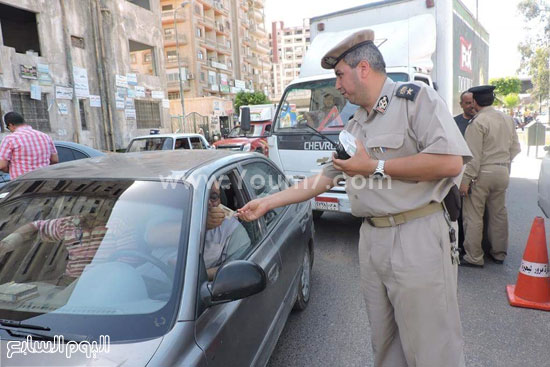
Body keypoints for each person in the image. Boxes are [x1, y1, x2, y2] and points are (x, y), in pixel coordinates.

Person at [238, 29, 471, 367]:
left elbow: (449, 162)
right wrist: (268, 203)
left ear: (363, 68)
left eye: (339, 75)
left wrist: (375, 166)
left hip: (417, 234)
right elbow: (323, 179)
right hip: (373, 239)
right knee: (386, 343)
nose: (337, 85)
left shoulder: (415, 100)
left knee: (432, 347)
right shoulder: (355, 126)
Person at [459, 85, 521, 267]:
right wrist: (502, 163)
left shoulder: (477, 122)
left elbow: (473, 157)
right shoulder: (508, 119)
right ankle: (499, 253)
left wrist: (465, 181)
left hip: (481, 173)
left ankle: (474, 257)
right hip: (503, 171)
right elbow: (516, 148)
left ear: (475, 102)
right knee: (499, 213)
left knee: (473, 215)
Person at [204, 180, 250, 280]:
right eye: (200, 196)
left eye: (213, 197)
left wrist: (198, 275)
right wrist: (202, 225)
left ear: (220, 200)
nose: (207, 202)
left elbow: (235, 269)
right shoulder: (173, 217)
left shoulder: (233, 229)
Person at [0, 112, 58, 179]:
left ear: (11, 125)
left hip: (22, 183)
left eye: (8, 128)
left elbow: (2, 165)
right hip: (44, 181)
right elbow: (55, 160)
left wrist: (12, 170)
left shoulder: (10, 139)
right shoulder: (45, 136)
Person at [454, 91, 476, 251]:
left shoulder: (480, 121)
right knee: (460, 210)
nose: (470, 106)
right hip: (460, 172)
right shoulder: (454, 123)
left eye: (472, 102)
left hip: (478, 171)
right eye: (467, 103)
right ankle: (460, 244)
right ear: (461, 104)